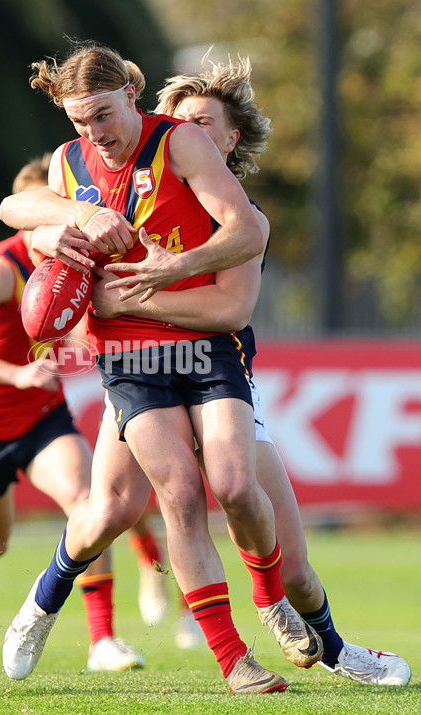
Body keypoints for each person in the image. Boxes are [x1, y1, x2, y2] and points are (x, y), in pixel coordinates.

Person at [0, 41, 326, 695]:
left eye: (103, 114)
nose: (96, 132)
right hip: (128, 355)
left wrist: (170, 268)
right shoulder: (70, 164)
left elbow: (249, 230)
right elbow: (13, 209)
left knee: (233, 486)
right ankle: (233, 659)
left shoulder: (178, 143)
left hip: (206, 347)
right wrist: (71, 218)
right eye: (79, 121)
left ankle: (271, 602)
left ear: (130, 94)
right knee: (171, 494)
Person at [91, 54, 410, 687]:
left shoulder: (243, 221)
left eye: (203, 124)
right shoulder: (121, 199)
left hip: (217, 377)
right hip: (138, 376)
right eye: (175, 122)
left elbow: (230, 312)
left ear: (230, 140)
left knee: (286, 557)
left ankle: (334, 647)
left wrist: (136, 292)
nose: (184, 135)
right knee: (114, 509)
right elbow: (32, 215)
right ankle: (62, 614)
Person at [0, 154, 145, 672]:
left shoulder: (75, 258)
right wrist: (15, 374)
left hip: (43, 417)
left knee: (86, 502)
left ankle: (102, 641)